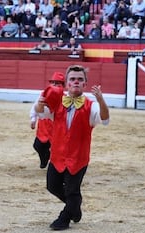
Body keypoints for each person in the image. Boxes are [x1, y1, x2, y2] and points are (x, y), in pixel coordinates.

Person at [34, 64, 109, 230]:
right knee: (52, 186)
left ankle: (65, 217)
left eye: (80, 79)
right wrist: (40, 103)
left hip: (78, 157)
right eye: (72, 79)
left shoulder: (92, 106)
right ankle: (74, 206)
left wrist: (101, 99)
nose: (76, 82)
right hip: (57, 155)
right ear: (67, 83)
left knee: (72, 191)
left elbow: (105, 119)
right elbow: (41, 112)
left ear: (85, 84)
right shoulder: (58, 101)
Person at [30, 72, 65, 169]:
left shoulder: (66, 98)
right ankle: (44, 159)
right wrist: (33, 118)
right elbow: (35, 106)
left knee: (57, 148)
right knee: (38, 145)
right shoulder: (44, 94)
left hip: (57, 127)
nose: (54, 85)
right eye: (53, 82)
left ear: (63, 85)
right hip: (44, 125)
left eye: (57, 83)